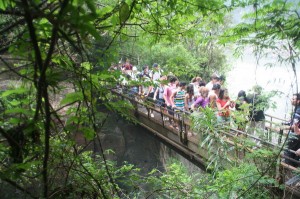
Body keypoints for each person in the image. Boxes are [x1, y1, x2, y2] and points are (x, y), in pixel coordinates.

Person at [283, 93, 300, 167]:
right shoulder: (297, 108)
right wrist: (287, 122)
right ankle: (294, 167)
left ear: (298, 101)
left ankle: (287, 168)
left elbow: (294, 125)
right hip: (297, 133)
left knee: (288, 151)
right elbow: (294, 121)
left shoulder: (298, 110)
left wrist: (284, 127)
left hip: (295, 135)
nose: (291, 100)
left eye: (293, 99)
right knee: (295, 153)